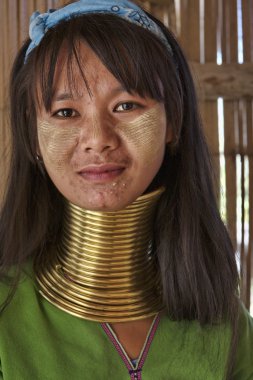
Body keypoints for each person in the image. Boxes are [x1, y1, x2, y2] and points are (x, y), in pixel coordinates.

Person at [0, 0, 252, 379]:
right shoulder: (5, 315)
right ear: (34, 135)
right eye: (65, 112)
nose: (98, 140)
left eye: (126, 105)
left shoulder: (227, 325)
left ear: (172, 122)